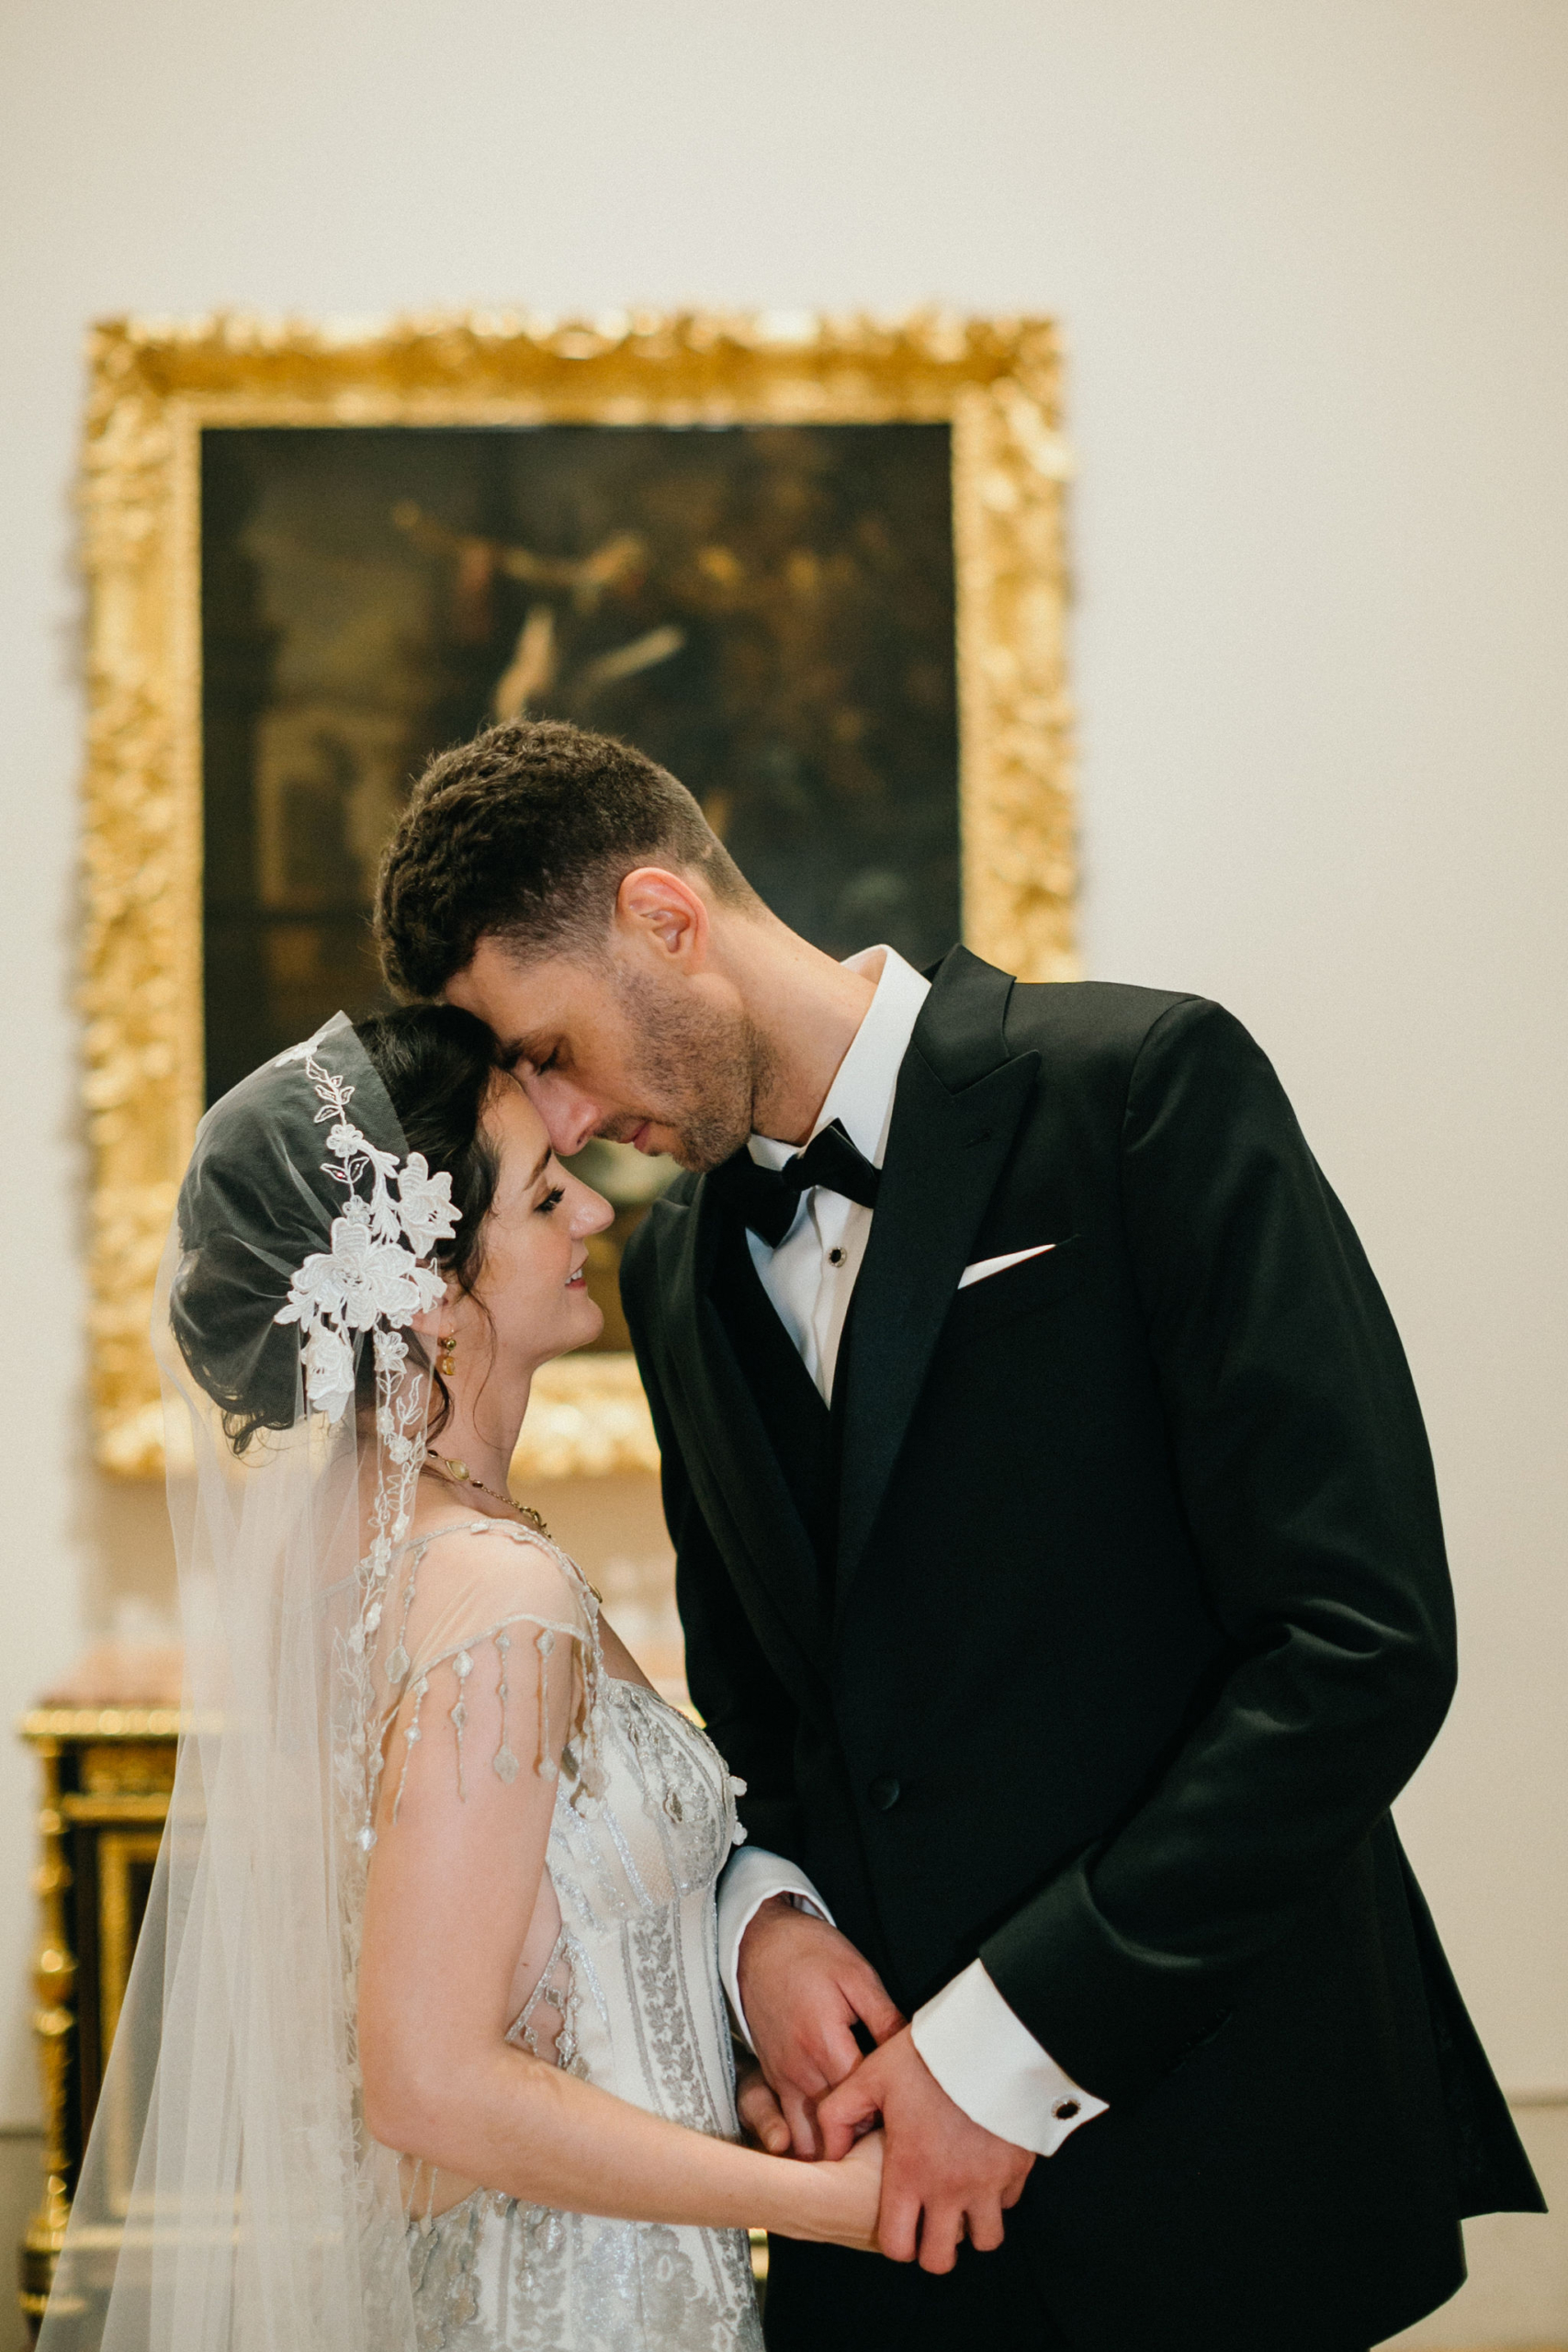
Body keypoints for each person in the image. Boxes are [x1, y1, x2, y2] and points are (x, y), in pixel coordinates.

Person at [374, 718, 1544, 2352]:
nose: (559, 1124)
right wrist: (762, 1923)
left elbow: (1359, 1648)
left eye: (554, 1050)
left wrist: (1010, 2050)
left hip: (1225, 2162)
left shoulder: (1142, 1093)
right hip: (888, 2229)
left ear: (664, 919)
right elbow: (775, 1723)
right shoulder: (676, 1276)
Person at [39, 1002, 881, 2352]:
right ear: (431, 1291)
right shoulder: (496, 1594)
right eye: (546, 1196)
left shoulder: (374, 1558)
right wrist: (823, 2201)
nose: (594, 1220)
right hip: (581, 2309)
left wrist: (725, 2062)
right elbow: (429, 2091)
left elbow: (547, 1988)